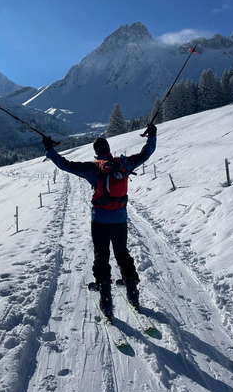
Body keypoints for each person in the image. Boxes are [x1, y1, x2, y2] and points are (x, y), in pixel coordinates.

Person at [42, 124, 157, 318]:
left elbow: (65, 164)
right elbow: (147, 153)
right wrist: (152, 135)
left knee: (101, 256)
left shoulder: (92, 169)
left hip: (100, 221)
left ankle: (105, 299)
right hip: (120, 218)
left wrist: (49, 149)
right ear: (109, 150)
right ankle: (133, 292)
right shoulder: (124, 164)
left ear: (96, 153)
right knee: (122, 253)